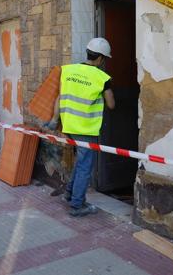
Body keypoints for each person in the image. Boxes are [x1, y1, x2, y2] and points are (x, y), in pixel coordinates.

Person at [45, 38, 115, 217]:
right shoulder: (102, 78)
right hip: (86, 129)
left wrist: (54, 119)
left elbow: (60, 97)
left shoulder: (68, 71)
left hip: (69, 125)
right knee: (85, 166)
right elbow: (111, 104)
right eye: (104, 59)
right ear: (100, 58)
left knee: (81, 161)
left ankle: (70, 194)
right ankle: (77, 205)